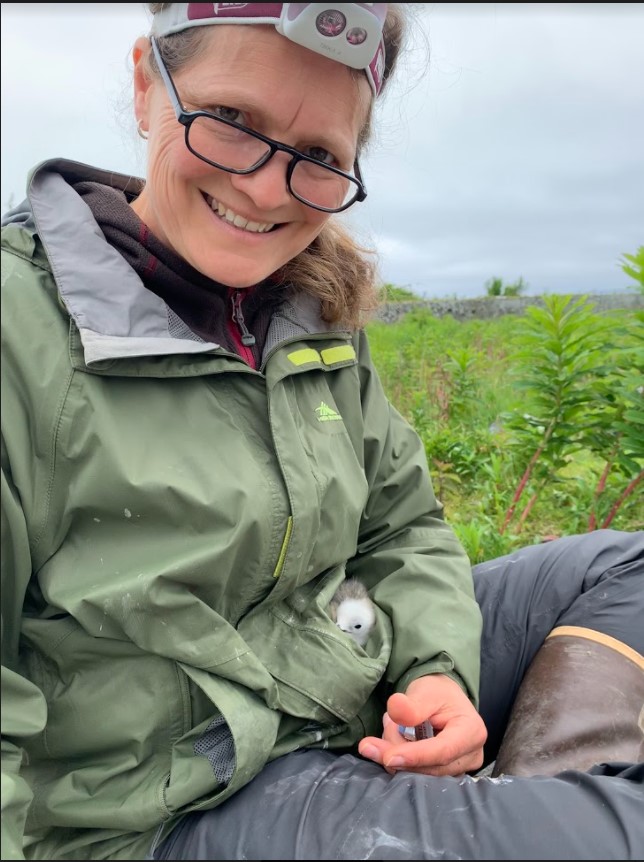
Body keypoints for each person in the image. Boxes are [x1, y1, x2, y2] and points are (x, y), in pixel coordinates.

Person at [0, 4, 641, 860]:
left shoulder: (308, 312)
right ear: (149, 83)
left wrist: (438, 670)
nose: (269, 187)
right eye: (231, 121)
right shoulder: (20, 332)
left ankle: (524, 802)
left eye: (320, 159)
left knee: (621, 566)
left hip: (342, 688)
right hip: (171, 804)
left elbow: (403, 523)